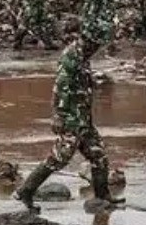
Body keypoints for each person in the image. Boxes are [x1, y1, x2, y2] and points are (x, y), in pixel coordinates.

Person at [14, 20, 125, 213]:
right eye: (95, 42)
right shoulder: (71, 57)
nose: (97, 46)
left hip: (83, 118)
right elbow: (61, 88)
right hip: (71, 118)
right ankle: (26, 191)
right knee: (60, 157)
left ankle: (102, 196)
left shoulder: (82, 56)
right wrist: (59, 115)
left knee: (98, 154)